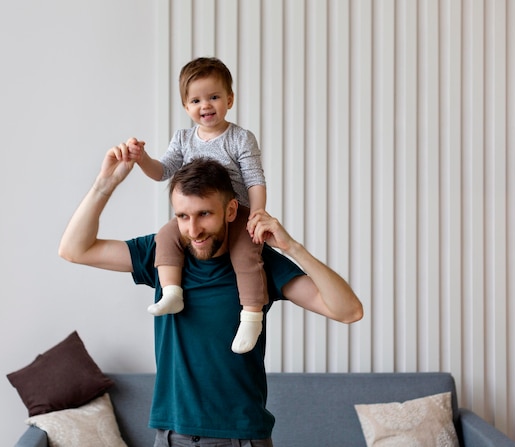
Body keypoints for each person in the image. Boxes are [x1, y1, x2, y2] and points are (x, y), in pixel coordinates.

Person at [58, 145, 363, 446]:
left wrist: (292, 247)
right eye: (182, 216)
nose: (193, 229)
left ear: (231, 210)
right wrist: (105, 184)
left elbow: (348, 310)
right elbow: (74, 249)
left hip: (241, 437)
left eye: (204, 214)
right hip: (170, 436)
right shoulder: (160, 255)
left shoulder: (259, 263)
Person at [127, 57, 268, 354]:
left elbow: (254, 179)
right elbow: (162, 171)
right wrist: (142, 159)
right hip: (196, 217)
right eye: (196, 100)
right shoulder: (183, 139)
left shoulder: (240, 138)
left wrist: (256, 215)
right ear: (185, 106)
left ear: (229, 99)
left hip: (234, 214)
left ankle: (251, 316)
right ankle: (172, 291)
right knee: (165, 236)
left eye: (214, 97)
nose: (206, 105)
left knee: (247, 256)